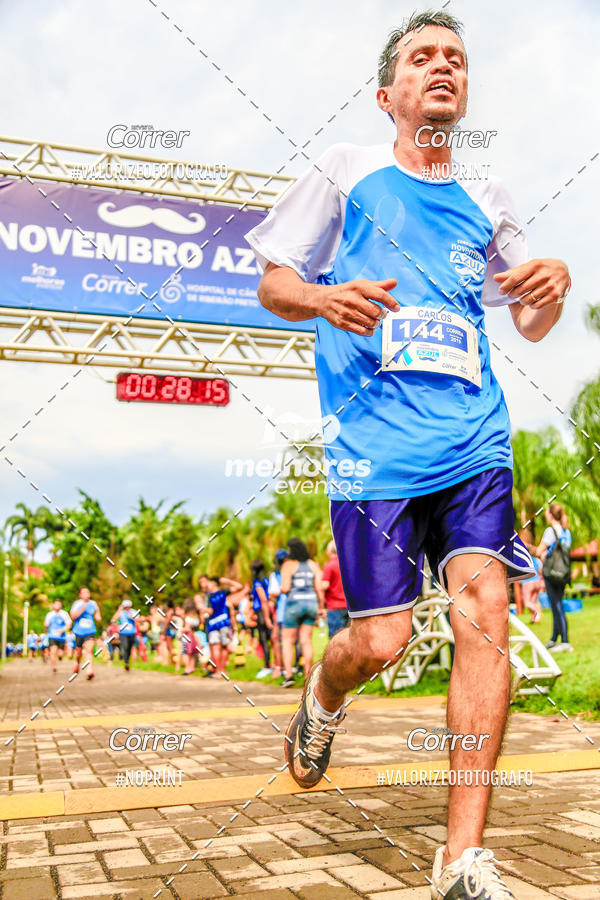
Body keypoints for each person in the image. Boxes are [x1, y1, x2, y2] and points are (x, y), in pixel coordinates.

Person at [245, 10, 570, 896]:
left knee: (486, 617)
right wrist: (322, 296)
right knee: (380, 640)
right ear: (386, 93)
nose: (443, 68)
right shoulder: (349, 170)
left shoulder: (489, 199)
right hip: (374, 451)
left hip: (472, 439)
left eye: (456, 59)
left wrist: (555, 287)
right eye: (422, 57)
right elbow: (272, 278)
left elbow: (531, 321)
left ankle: (462, 857)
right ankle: (323, 697)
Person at [279, 539, 325, 688]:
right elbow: (319, 587)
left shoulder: (288, 565)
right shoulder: (313, 565)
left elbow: (285, 588)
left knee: (288, 640)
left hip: (294, 604)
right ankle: (308, 676)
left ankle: (288, 675)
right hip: (311, 603)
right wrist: (321, 607)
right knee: (306, 640)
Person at [529, 504, 573, 652]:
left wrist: (527, 547)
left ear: (551, 515)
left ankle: (565, 641)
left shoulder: (550, 531)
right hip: (563, 573)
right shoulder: (566, 531)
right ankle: (554, 639)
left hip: (551, 572)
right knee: (557, 603)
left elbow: (540, 551)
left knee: (556, 605)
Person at [200, 574, 242, 677]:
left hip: (213, 624)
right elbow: (238, 586)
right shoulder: (223, 593)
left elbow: (209, 610)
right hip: (223, 623)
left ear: (213, 583)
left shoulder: (209, 596)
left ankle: (218, 671)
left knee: (216, 647)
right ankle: (222, 670)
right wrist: (226, 580)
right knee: (223, 647)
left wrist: (203, 610)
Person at [70, 586, 101, 680]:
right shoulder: (77, 604)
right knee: (78, 652)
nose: (87, 594)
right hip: (78, 631)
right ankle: (77, 663)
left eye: (88, 592)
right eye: (84, 593)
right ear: (80, 595)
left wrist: (98, 617)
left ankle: (89, 671)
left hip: (90, 630)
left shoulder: (93, 603)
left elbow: (97, 614)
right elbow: (72, 617)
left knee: (89, 650)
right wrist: (82, 609)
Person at [250, 560, 273, 678]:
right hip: (266, 611)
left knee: (263, 640)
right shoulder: (266, 580)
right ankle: (271, 664)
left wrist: (266, 617)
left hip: (262, 613)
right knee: (269, 640)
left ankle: (267, 666)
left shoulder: (257, 583)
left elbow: (264, 599)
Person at [321, 541, 349, 638]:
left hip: (335, 607)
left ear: (329, 551)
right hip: (349, 606)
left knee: (335, 638)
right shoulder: (347, 563)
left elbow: (325, 585)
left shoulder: (329, 565)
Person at [268, 548, 289, 677]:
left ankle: (279, 667)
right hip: (290, 608)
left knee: (276, 638)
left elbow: (273, 593)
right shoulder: (293, 571)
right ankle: (294, 666)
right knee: (295, 640)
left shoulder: (275, 575)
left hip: (282, 610)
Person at [44, 600, 72, 673]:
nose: (57, 606)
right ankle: (54, 667)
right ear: (53, 605)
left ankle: (60, 656)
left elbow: (69, 625)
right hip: (52, 636)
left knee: (60, 653)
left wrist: (63, 630)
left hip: (61, 637)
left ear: (61, 606)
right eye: (56, 604)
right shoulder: (49, 614)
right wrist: (46, 626)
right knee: (53, 652)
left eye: (59, 604)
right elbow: (46, 624)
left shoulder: (64, 614)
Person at [111, 599, 137, 671]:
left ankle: (127, 660)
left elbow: (139, 619)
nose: (127, 608)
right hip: (123, 633)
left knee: (129, 648)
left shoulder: (133, 612)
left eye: (128, 606)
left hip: (132, 632)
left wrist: (132, 617)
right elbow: (113, 619)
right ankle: (126, 663)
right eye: (125, 607)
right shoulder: (121, 612)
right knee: (125, 647)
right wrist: (119, 610)